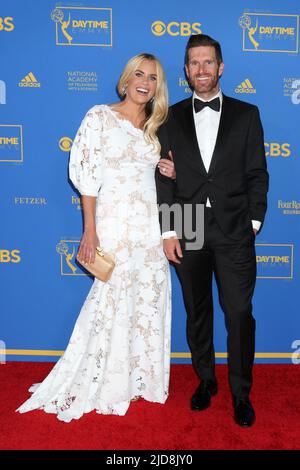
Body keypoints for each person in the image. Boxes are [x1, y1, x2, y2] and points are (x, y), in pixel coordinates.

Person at [16, 53, 175, 422]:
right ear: (125, 80)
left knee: (148, 299)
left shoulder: (158, 125)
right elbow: (87, 178)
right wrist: (90, 229)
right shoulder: (99, 116)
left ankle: (141, 380)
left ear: (157, 87)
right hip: (115, 224)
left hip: (149, 229)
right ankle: (106, 379)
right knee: (113, 298)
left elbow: (164, 176)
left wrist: (171, 169)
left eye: (152, 78)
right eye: (138, 74)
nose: (144, 82)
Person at [156, 34, 269, 427]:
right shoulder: (168, 118)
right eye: (194, 63)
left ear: (220, 67)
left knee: (239, 313)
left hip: (235, 228)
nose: (201, 69)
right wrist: (169, 231)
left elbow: (257, 172)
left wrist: (253, 223)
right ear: (185, 70)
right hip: (187, 226)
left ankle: (241, 392)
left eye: (208, 62)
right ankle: (206, 380)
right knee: (197, 312)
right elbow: (164, 179)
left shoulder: (247, 114)